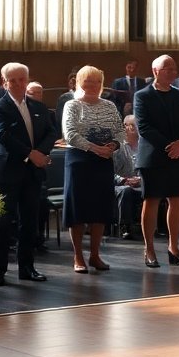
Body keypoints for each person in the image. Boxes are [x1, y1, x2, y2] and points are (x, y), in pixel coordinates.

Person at [0, 63, 56, 287]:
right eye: (12, 80)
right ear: (4, 82)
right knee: (3, 222)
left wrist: (40, 154)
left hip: (32, 173)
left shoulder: (39, 106)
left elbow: (51, 132)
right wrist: (30, 154)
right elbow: (2, 136)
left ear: (27, 80)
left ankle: (27, 268)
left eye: (21, 79)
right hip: (7, 171)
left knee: (29, 221)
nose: (18, 84)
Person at [134, 55, 179, 269]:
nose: (171, 71)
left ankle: (174, 248)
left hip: (178, 155)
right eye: (166, 68)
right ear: (155, 71)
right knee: (151, 200)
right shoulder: (142, 96)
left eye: (173, 68)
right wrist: (171, 146)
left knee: (176, 200)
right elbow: (144, 128)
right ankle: (149, 249)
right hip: (154, 157)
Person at [60, 66, 124, 274]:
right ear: (79, 83)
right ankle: (78, 256)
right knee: (78, 210)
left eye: (96, 81)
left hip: (104, 160)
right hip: (79, 161)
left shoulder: (110, 105)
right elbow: (69, 134)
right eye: (87, 81)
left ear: (101, 84)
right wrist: (95, 148)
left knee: (100, 210)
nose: (92, 85)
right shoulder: (72, 105)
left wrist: (113, 146)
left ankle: (95, 255)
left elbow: (120, 131)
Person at [112, 115, 143, 240]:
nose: (136, 128)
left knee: (157, 187)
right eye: (133, 125)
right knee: (126, 191)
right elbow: (109, 172)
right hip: (121, 184)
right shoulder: (116, 148)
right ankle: (125, 226)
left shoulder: (143, 146)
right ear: (126, 127)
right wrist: (124, 180)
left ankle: (159, 226)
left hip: (141, 183)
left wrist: (140, 180)